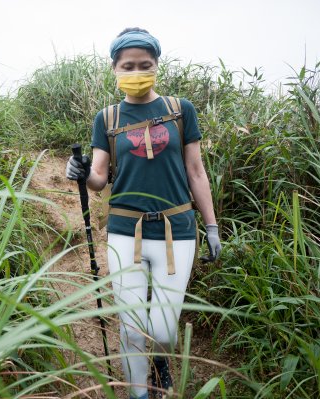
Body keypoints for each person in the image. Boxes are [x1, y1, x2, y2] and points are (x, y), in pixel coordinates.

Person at [66, 28, 221, 399]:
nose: (137, 71)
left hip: (178, 229)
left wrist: (211, 226)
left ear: (156, 65)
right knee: (134, 326)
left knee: (164, 330)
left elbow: (196, 171)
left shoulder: (180, 110)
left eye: (145, 65)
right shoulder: (107, 118)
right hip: (124, 230)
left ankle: (160, 361)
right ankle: (139, 393)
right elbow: (100, 179)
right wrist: (83, 171)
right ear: (114, 68)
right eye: (128, 66)